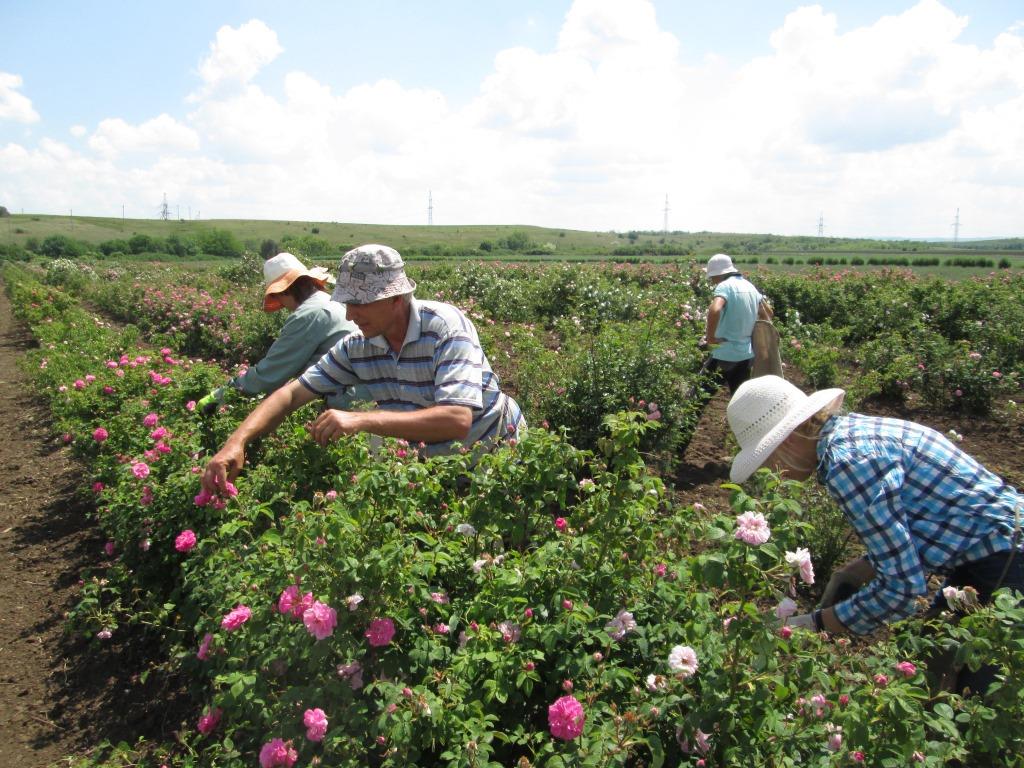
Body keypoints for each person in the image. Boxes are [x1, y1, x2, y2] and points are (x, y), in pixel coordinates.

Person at [726, 375, 1023, 693]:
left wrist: (812, 624)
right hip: (990, 547)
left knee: (983, 688)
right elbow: (917, 529)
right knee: (934, 649)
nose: (773, 472)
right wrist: (853, 572)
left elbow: (902, 587)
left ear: (786, 440)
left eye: (768, 458)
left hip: (1007, 559)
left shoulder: (848, 464)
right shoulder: (853, 435)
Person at [201, 244, 525, 493]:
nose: (351, 315)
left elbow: (457, 420)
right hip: (435, 464)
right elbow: (290, 395)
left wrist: (360, 420)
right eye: (347, 303)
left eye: (361, 303)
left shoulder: (444, 327)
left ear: (396, 299)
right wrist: (236, 442)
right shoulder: (358, 346)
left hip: (495, 452)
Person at [197, 252, 366, 415]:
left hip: (344, 405)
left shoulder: (309, 314)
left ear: (285, 291)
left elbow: (270, 374)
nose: (282, 304)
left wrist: (220, 395)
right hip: (364, 397)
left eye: (278, 297)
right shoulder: (329, 301)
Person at [700, 253, 773, 395]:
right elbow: (768, 313)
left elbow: (715, 310)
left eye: (712, 276)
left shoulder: (725, 286)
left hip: (723, 354)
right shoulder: (750, 286)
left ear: (719, 274)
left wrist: (711, 338)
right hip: (745, 354)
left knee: (700, 397)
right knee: (739, 398)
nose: (711, 280)